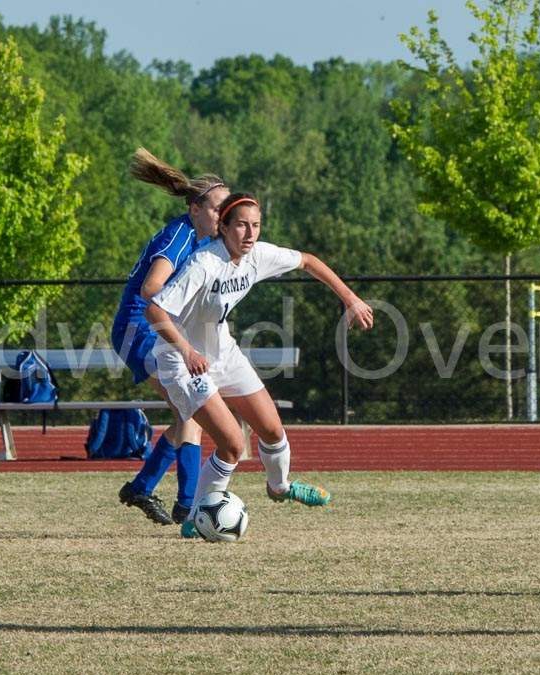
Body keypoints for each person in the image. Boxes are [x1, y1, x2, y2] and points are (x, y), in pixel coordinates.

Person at [145, 192, 374, 537]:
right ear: (222, 226)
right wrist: (188, 350)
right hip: (182, 361)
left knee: (272, 430)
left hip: (223, 352)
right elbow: (155, 309)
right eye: (240, 225)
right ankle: (195, 517)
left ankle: (279, 487)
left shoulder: (257, 255)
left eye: (256, 225)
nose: (250, 233)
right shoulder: (204, 263)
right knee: (234, 444)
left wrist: (351, 298)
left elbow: (308, 261)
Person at [111, 148, 229, 526]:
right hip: (139, 329)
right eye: (216, 209)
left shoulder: (200, 239)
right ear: (195, 208)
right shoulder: (180, 236)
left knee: (187, 410)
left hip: (153, 331)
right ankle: (186, 503)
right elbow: (151, 289)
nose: (221, 216)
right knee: (190, 408)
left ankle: (150, 490)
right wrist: (182, 338)